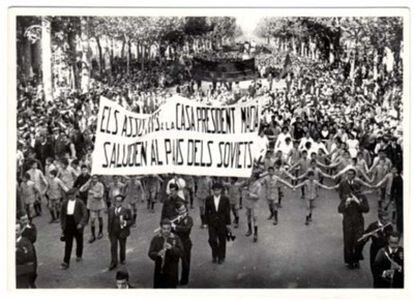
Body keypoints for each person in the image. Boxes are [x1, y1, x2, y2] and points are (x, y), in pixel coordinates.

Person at [357, 211, 393, 287]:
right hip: (375, 252)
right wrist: (364, 237)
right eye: (384, 220)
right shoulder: (373, 226)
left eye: (387, 219)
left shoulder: (389, 227)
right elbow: (365, 238)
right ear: (380, 219)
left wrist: (378, 236)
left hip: (386, 253)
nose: (386, 221)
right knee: (376, 273)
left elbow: (389, 241)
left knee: (386, 274)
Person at [148, 218, 184, 288]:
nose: (166, 231)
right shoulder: (156, 239)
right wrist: (157, 254)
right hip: (159, 271)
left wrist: (172, 248)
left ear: (171, 228)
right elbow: (150, 253)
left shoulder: (176, 238)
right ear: (161, 228)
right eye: (164, 229)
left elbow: (182, 253)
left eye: (168, 228)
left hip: (172, 271)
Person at [338, 192, 370, 269]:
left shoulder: (362, 197)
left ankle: (356, 259)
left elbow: (366, 209)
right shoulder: (346, 196)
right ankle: (349, 262)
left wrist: (358, 202)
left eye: (358, 188)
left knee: (359, 241)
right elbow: (339, 209)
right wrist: (346, 203)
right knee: (348, 242)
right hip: (348, 224)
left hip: (359, 224)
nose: (356, 190)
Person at [60, 188, 88, 269]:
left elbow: (85, 214)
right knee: (68, 244)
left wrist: (81, 224)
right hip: (68, 223)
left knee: (79, 241)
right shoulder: (64, 203)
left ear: (75, 195)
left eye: (72, 195)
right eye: (69, 195)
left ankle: (79, 254)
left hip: (77, 224)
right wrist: (63, 225)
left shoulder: (80, 202)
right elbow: (62, 215)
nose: (70, 197)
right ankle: (66, 262)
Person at [204, 182, 231, 263]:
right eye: (215, 190)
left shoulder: (225, 199)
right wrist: (205, 222)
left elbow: (227, 212)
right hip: (211, 222)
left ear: (221, 190)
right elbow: (206, 211)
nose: (216, 192)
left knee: (222, 240)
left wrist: (228, 224)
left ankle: (221, 257)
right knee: (212, 240)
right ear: (212, 191)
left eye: (218, 190)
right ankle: (215, 254)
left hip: (222, 222)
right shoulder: (208, 199)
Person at [108, 194, 133, 270]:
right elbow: (109, 221)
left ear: (122, 202)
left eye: (120, 201)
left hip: (122, 231)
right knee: (113, 246)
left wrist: (125, 223)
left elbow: (131, 221)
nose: (118, 202)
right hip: (113, 232)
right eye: (116, 201)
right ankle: (113, 262)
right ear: (114, 202)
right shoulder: (111, 209)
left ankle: (122, 259)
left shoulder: (126, 210)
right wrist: (109, 231)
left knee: (122, 246)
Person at [171, 201, 193, 286]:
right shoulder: (174, 218)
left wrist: (175, 227)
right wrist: (169, 226)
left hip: (186, 243)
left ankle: (184, 280)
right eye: (181, 210)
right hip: (176, 244)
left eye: (184, 209)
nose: (183, 211)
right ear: (177, 211)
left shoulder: (189, 219)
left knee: (185, 263)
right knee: (174, 262)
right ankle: (174, 280)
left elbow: (186, 229)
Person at [80, 175, 105, 243]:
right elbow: (81, 189)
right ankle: (93, 235)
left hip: (99, 204)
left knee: (100, 218)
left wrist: (93, 193)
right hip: (91, 205)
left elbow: (101, 195)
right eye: (93, 178)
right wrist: (88, 182)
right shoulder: (89, 184)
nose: (94, 180)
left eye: (95, 178)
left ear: (98, 179)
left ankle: (100, 232)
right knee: (92, 220)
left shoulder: (100, 185)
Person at [16, 222, 37, 288]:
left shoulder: (25, 242)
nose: (14, 232)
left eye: (16, 230)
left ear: (21, 230)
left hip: (23, 276)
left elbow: (30, 262)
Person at [244, 172, 262, 242]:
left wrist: (250, 194)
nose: (251, 177)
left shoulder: (258, 185)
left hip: (254, 204)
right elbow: (247, 188)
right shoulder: (250, 182)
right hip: (248, 203)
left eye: (252, 176)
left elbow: (258, 196)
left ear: (255, 177)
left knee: (255, 218)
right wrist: (246, 189)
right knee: (248, 216)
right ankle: (249, 230)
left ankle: (255, 234)